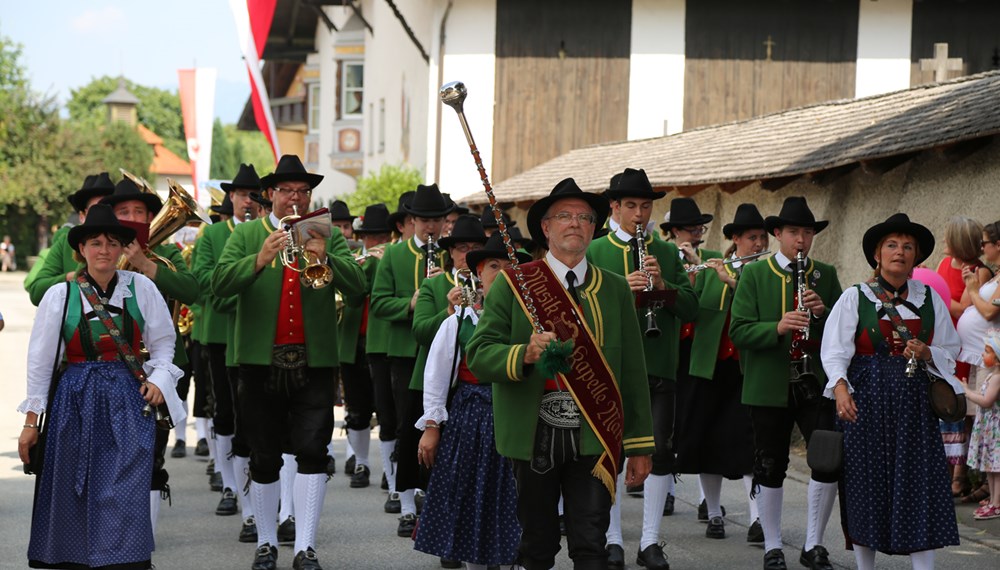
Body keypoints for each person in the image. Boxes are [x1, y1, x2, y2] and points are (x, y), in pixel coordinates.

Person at [467, 179, 655, 570]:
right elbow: (480, 355)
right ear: (546, 228)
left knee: (591, 543)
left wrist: (639, 445)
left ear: (593, 228)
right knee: (537, 545)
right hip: (533, 432)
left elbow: (633, 371)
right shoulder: (514, 284)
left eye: (585, 217)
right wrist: (524, 353)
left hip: (594, 433)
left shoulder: (615, 289)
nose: (575, 223)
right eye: (564, 216)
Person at [212, 154, 367, 570]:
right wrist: (259, 258)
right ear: (270, 196)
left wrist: (328, 257)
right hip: (258, 361)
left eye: (303, 191)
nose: (295, 199)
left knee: (313, 451)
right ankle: (266, 543)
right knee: (263, 455)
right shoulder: (246, 234)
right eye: (286, 191)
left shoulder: (328, 234)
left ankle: (305, 547)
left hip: (315, 361)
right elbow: (218, 287)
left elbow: (358, 290)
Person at [17, 204, 184, 569]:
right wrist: (31, 424)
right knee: (72, 490)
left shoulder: (142, 288)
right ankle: (73, 559)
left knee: (125, 488)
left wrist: (157, 379)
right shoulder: (59, 297)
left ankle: (124, 561)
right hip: (74, 400)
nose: (104, 250)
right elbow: (41, 364)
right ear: (82, 250)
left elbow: (164, 343)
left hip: (128, 401)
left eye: (111, 243)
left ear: (123, 248)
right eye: (95, 243)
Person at [821, 213, 961, 569]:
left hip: (915, 407)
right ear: (877, 255)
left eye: (908, 246)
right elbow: (835, 350)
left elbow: (952, 348)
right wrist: (840, 389)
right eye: (892, 245)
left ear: (916, 257)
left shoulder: (930, 299)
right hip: (865, 402)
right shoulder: (856, 297)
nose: (900, 252)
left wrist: (928, 351)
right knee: (865, 488)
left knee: (919, 487)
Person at [586, 168, 698, 569]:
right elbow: (582, 311)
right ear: (614, 207)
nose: (639, 214)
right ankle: (613, 539)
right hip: (610, 366)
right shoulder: (595, 251)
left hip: (657, 362)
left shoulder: (666, 251)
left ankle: (650, 541)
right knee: (610, 451)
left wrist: (663, 284)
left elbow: (691, 307)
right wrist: (622, 288)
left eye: (646, 206)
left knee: (660, 450)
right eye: (630, 205)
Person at [729, 196, 842, 570]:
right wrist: (777, 327)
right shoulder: (755, 274)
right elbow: (739, 331)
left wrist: (823, 313)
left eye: (807, 232)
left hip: (815, 382)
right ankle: (772, 545)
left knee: (826, 461)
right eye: (793, 231)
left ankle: (814, 544)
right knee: (769, 463)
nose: (801, 240)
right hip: (768, 383)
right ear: (777, 233)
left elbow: (844, 335)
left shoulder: (825, 274)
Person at [413, 232, 530, 569]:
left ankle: (512, 558)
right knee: (472, 498)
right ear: (478, 273)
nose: (503, 272)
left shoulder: (529, 323)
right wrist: (432, 427)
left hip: (517, 419)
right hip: (471, 422)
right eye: (494, 266)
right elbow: (436, 378)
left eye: (511, 266)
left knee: (514, 498)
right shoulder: (458, 322)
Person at [101, 177, 201, 533]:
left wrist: (144, 263)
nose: (131, 217)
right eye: (123, 211)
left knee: (151, 457)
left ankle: (143, 541)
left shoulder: (169, 253)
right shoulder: (95, 248)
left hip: (156, 367)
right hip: (109, 366)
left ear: (149, 218)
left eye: (138, 212)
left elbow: (193, 290)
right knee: (108, 456)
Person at [676, 203, 768, 543]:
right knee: (707, 442)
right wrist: (692, 278)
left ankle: (758, 518)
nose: (758, 244)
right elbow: (690, 315)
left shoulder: (768, 273)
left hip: (746, 369)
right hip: (710, 369)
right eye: (752, 238)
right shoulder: (712, 268)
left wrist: (732, 281)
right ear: (736, 239)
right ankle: (714, 513)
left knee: (751, 445)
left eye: (762, 237)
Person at [370, 183, 453, 537]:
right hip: (405, 353)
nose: (431, 227)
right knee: (408, 429)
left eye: (437, 220)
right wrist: (412, 302)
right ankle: (405, 503)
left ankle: (432, 499)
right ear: (412, 220)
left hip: (446, 352)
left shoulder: (450, 255)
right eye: (424, 220)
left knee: (442, 429)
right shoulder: (394, 255)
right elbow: (378, 303)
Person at [192, 164, 262, 525]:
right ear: (230, 197)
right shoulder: (214, 234)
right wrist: (235, 282)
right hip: (220, 333)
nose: (248, 202)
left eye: (253, 195)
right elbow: (202, 277)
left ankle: (253, 489)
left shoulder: (267, 233)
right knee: (223, 409)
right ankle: (228, 483)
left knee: (252, 416)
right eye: (241, 195)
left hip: (257, 335)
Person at [660, 197, 723, 514]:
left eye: (700, 228)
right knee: (668, 422)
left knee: (696, 420)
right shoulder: (662, 256)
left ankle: (705, 498)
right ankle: (667, 489)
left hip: (699, 349)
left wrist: (698, 268)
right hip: (670, 344)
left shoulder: (711, 258)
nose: (697, 234)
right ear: (673, 231)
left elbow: (706, 305)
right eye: (690, 228)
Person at [935, 216, 991, 499]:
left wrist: (936, 295)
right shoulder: (944, 265)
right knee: (947, 409)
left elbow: (963, 310)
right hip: (945, 345)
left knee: (964, 412)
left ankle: (960, 476)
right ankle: (949, 471)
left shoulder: (979, 272)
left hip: (966, 350)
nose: (943, 242)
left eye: (947, 238)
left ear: (958, 241)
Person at [339, 204, 393, 491]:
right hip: (352, 341)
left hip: (381, 342)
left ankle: (390, 468)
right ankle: (361, 462)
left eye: (382, 236)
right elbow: (354, 295)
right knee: (357, 408)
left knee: (386, 409)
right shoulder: (356, 260)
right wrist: (365, 265)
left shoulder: (392, 259)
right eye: (371, 237)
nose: (376, 243)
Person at [954, 220, 1000, 505]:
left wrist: (972, 289)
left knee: (992, 424)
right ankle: (992, 489)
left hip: (994, 358)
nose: (981, 249)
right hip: (983, 355)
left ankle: (995, 494)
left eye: (984, 243)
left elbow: (987, 313)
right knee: (985, 424)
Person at [26, 173, 116, 305]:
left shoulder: (129, 243)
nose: (101, 216)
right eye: (95, 210)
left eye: (109, 209)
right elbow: (36, 293)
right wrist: (70, 277)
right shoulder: (65, 242)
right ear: (82, 216)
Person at [965, 331, 1000, 521]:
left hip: (995, 429)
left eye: (987, 352)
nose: (982, 355)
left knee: (996, 468)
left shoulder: (997, 378)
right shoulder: (992, 376)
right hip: (989, 427)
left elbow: (986, 401)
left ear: (997, 359)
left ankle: (996, 503)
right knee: (991, 468)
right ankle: (994, 501)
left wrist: (967, 392)